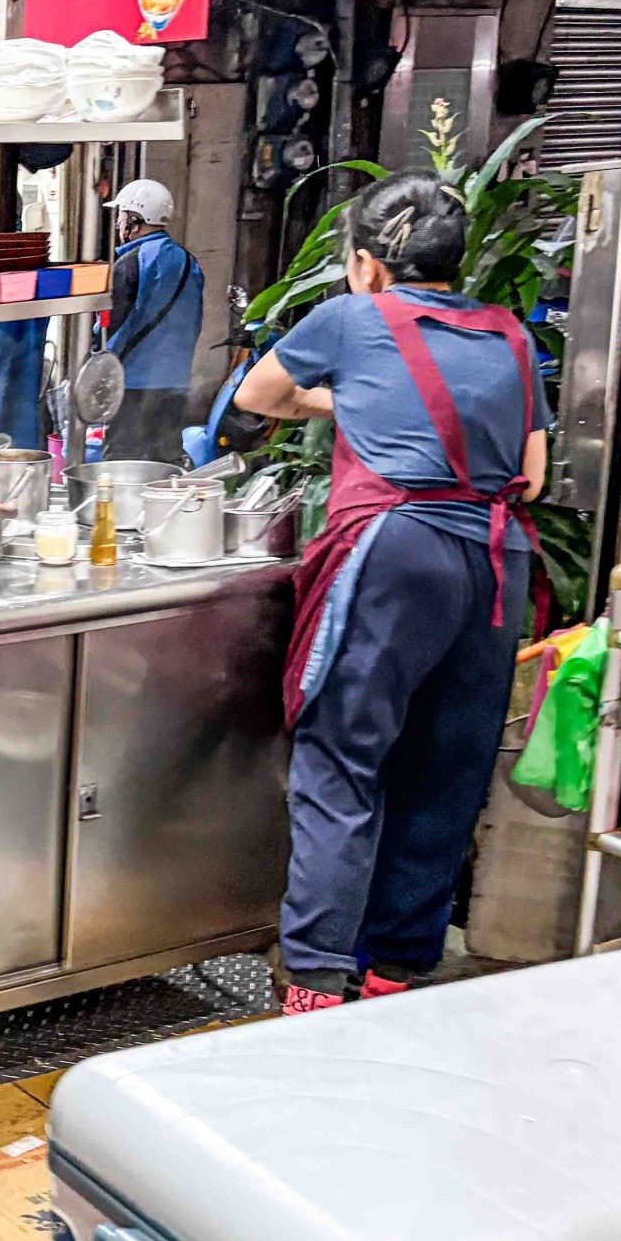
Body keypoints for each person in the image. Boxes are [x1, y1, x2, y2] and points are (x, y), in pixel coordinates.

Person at [236, 174, 550, 1013]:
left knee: (342, 758)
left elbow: (255, 398)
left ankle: (313, 975)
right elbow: (534, 474)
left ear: (369, 265)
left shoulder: (351, 317)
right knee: (448, 763)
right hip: (494, 559)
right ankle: (398, 965)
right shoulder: (513, 337)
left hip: (393, 553)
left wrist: (342, 405)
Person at [96, 178, 205, 462]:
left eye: (121, 216)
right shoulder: (188, 261)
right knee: (164, 461)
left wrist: (97, 363)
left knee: (121, 461)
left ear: (134, 220)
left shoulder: (131, 263)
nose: (118, 224)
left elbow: (110, 326)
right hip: (176, 381)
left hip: (133, 382)